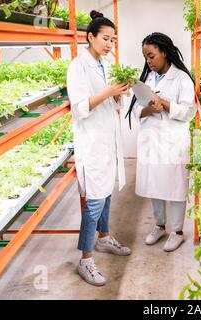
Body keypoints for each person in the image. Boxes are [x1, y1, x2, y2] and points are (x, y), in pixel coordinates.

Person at [67, 10, 131, 286]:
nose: (109, 44)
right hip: (92, 143)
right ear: (90, 37)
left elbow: (109, 105)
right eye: (105, 38)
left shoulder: (104, 65)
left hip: (107, 140)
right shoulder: (78, 66)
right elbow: (80, 108)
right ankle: (86, 260)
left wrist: (120, 95)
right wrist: (108, 92)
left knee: (105, 196)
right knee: (93, 202)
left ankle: (104, 239)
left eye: (113, 40)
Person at [127, 32, 196, 252]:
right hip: (151, 139)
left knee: (175, 186)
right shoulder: (146, 79)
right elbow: (137, 109)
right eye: (146, 57)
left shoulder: (182, 78)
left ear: (164, 52)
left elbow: (188, 112)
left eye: (151, 56)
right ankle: (159, 225)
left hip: (173, 141)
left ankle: (176, 231)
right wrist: (149, 108)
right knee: (155, 184)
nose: (149, 62)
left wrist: (164, 103)